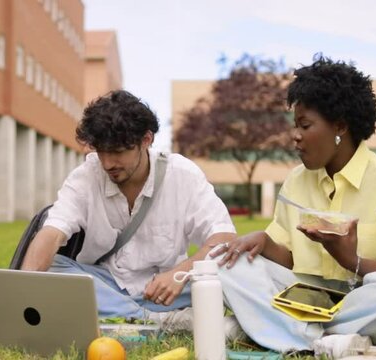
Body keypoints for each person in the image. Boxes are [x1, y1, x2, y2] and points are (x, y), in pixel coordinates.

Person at [210, 57, 376, 357]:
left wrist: (350, 259)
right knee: (224, 263)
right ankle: (322, 342)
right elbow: (286, 258)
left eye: (305, 125)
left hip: (362, 300)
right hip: (302, 294)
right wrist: (264, 241)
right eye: (295, 125)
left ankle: (270, 330)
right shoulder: (295, 182)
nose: (295, 135)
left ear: (340, 125)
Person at [21, 89, 236, 331]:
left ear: (146, 140)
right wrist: (26, 291)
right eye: (101, 151)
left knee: (234, 271)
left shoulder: (183, 174)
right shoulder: (86, 176)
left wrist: (178, 275)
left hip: (167, 290)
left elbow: (224, 238)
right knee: (52, 266)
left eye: (118, 152)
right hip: (105, 285)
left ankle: (123, 317)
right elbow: (52, 232)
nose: (107, 163)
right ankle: (156, 321)